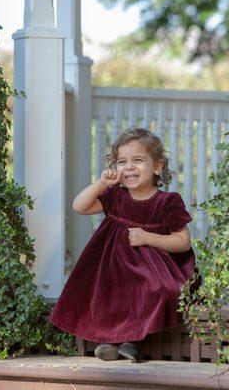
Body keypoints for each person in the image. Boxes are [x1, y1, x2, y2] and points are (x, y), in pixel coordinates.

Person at [49, 128, 197, 363]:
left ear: (157, 167)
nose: (129, 167)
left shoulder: (166, 202)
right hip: (114, 268)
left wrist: (148, 237)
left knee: (156, 290)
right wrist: (101, 183)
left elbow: (182, 241)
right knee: (110, 291)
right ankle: (110, 342)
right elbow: (80, 206)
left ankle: (134, 343)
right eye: (122, 162)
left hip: (151, 271)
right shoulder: (116, 196)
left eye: (138, 160)